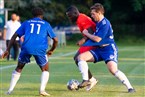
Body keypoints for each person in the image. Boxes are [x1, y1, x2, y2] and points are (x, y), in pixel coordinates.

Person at [76, 3, 135, 93]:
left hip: (109, 49)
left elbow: (97, 39)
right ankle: (86, 80)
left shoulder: (104, 23)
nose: (91, 16)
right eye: (91, 14)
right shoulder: (98, 23)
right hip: (99, 49)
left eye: (93, 14)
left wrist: (87, 34)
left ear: (99, 12)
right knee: (80, 57)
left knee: (113, 70)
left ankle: (130, 88)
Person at [2, 7, 58, 96]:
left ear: (33, 15)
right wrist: (51, 50)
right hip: (40, 49)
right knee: (45, 69)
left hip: (26, 47)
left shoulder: (26, 22)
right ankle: (42, 90)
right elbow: (55, 40)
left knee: (19, 68)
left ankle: (9, 90)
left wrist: (8, 49)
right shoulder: (46, 24)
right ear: (42, 16)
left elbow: (15, 35)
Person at [66, 6, 98, 91]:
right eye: (68, 16)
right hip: (91, 40)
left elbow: (91, 31)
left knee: (78, 58)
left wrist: (83, 40)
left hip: (94, 41)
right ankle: (91, 80)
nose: (69, 18)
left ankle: (88, 80)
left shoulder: (81, 19)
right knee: (76, 58)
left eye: (70, 16)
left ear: (75, 13)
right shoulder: (80, 18)